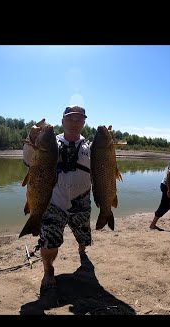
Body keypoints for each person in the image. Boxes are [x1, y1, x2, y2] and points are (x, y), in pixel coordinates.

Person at [23, 105, 112, 290]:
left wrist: (108, 141)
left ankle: (82, 249)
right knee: (48, 240)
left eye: (79, 119)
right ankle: (48, 271)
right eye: (70, 119)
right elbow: (28, 161)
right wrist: (31, 138)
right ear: (62, 121)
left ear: (84, 122)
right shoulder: (49, 143)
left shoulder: (91, 147)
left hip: (82, 200)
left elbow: (106, 168)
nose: (74, 123)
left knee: (83, 235)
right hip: (53, 200)